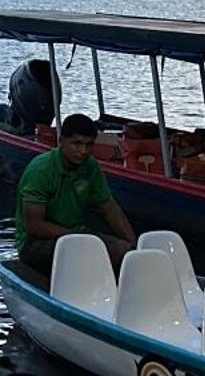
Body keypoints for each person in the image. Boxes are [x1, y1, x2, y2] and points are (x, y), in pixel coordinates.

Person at [16, 113, 135, 273]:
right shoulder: (41, 170)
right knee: (88, 254)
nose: (83, 151)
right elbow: (34, 226)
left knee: (124, 253)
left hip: (77, 234)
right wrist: (78, 237)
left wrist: (133, 247)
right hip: (36, 242)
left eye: (88, 145)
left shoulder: (90, 166)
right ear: (62, 141)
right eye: (77, 144)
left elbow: (110, 209)